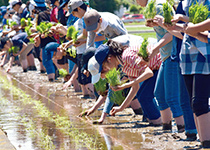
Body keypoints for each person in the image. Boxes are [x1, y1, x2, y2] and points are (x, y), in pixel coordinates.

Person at [136, 0, 186, 133]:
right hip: (165, 55)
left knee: (172, 97)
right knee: (159, 93)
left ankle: (183, 129)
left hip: (172, 55)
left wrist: (154, 51)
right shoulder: (152, 7)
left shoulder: (159, 6)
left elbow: (171, 33)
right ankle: (167, 127)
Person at [88, 35, 162, 125]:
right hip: (154, 69)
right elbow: (135, 88)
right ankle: (155, 121)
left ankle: (158, 122)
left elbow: (148, 73)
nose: (106, 69)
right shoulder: (123, 66)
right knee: (141, 94)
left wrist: (126, 85)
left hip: (160, 65)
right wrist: (121, 108)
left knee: (145, 96)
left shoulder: (126, 57)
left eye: (104, 67)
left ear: (109, 59)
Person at [166, 0, 210, 147]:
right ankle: (202, 140)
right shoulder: (187, 1)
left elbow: (199, 25)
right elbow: (189, 27)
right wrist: (171, 24)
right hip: (187, 56)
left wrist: (191, 28)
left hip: (204, 53)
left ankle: (206, 143)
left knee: (199, 102)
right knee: (194, 103)